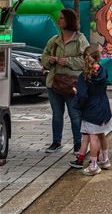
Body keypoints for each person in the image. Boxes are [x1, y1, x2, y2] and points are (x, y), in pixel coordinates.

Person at [41, 9, 89, 153]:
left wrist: (67, 61)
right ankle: (56, 141)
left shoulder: (80, 40)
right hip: (54, 83)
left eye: (62, 18)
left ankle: (78, 143)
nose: (59, 20)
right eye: (59, 18)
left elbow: (87, 60)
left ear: (69, 20)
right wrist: (49, 60)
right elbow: (44, 56)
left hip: (73, 84)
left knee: (75, 115)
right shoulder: (54, 39)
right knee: (56, 115)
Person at [69, 45, 112, 175]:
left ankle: (94, 166)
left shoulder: (84, 76)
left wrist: (76, 96)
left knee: (93, 138)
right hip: (104, 106)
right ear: (98, 57)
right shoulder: (103, 70)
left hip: (91, 109)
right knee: (101, 134)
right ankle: (105, 159)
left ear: (85, 58)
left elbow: (82, 96)